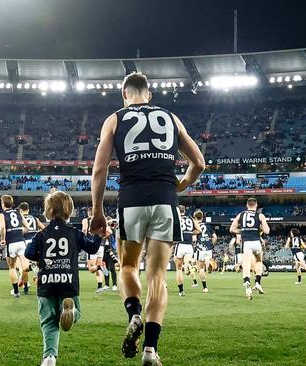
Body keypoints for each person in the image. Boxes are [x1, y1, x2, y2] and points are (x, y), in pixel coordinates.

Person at [90, 72, 205, 365]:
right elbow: (199, 163)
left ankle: (134, 315)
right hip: (166, 202)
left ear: (124, 94)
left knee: (128, 266)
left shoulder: (114, 119)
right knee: (158, 278)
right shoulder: (170, 117)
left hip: (132, 200)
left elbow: (100, 169)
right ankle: (150, 351)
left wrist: (97, 212)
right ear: (149, 95)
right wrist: (179, 185)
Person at [25, 190, 102, 366]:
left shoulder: (41, 234)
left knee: (48, 322)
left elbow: (29, 253)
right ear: (69, 210)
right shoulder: (74, 232)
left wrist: (44, 258)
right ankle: (70, 313)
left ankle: (49, 357)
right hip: (68, 281)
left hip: (46, 283)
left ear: (48, 210)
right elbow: (91, 248)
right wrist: (99, 236)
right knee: (78, 312)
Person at [230, 198, 270, 300]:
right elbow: (267, 231)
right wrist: (258, 228)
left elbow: (232, 229)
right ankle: (257, 282)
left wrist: (243, 230)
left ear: (247, 205)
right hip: (256, 242)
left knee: (246, 264)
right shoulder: (260, 215)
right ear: (256, 205)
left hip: (246, 242)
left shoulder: (241, 215)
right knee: (259, 262)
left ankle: (247, 283)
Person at [0, 195, 30, 298]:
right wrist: (18, 231)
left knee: (12, 267)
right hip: (21, 242)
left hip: (11, 243)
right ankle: (29, 269)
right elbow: (27, 227)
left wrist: (2, 239)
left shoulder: (1, 215)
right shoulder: (18, 212)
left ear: (2, 204)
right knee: (25, 266)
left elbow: (2, 227)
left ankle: (16, 292)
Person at [174, 205, 200, 296]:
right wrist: (189, 232)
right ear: (185, 210)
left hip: (180, 244)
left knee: (178, 269)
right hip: (189, 245)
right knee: (187, 261)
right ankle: (188, 265)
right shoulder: (191, 219)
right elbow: (199, 230)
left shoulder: (176, 218)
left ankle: (181, 291)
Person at [19, 202, 44, 294]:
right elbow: (44, 228)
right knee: (37, 263)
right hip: (36, 241)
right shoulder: (35, 219)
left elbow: (20, 232)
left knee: (24, 267)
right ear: (28, 209)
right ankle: (35, 271)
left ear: (21, 210)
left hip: (26, 242)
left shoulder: (20, 218)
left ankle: (26, 288)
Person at [82, 215, 106, 293]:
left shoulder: (86, 220)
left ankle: (101, 267)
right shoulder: (101, 220)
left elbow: (84, 230)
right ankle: (100, 287)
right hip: (101, 245)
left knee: (91, 268)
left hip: (91, 245)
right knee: (97, 268)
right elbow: (108, 232)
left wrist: (82, 240)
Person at [193, 210, 216, 293]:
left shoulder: (195, 226)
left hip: (200, 248)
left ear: (195, 218)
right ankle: (209, 265)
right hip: (209, 248)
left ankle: (205, 287)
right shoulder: (207, 225)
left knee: (200, 268)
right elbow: (214, 237)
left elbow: (194, 238)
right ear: (202, 217)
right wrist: (212, 244)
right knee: (207, 262)